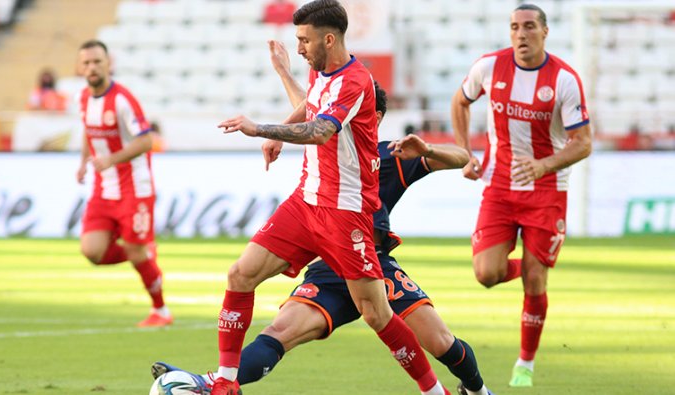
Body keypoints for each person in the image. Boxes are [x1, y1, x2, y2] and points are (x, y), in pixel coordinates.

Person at [152, 39, 494, 395]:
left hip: (370, 261)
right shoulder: (327, 132)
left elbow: (462, 158)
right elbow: (311, 107)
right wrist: (283, 73)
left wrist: (429, 149)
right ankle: (213, 384)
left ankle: (476, 390)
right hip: (328, 265)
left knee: (439, 340)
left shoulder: (391, 154)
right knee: (279, 332)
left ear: (372, 117)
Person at [208, 1, 448, 394]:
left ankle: (433, 391)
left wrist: (258, 129)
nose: (300, 46)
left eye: (304, 40)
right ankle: (225, 382)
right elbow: (310, 104)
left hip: (345, 212)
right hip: (306, 202)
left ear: (329, 39)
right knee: (240, 274)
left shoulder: (356, 81)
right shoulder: (320, 69)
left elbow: (320, 130)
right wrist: (278, 133)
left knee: (376, 314)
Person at [451, 4, 592, 388]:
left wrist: (545, 165)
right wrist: (466, 152)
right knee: (487, 273)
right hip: (499, 187)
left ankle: (524, 365)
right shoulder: (489, 67)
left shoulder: (564, 79)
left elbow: (583, 144)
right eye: (515, 27)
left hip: (547, 190)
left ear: (544, 32)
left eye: (529, 27)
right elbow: (460, 101)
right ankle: (534, 264)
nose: (521, 34)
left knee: (534, 280)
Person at [75, 39, 172, 328]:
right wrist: (83, 162)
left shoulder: (122, 100)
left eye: (97, 62)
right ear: (81, 67)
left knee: (134, 251)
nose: (92, 67)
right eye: (87, 63)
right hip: (103, 189)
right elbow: (88, 132)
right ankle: (143, 254)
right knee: (92, 251)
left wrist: (113, 159)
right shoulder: (83, 98)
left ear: (108, 63)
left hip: (135, 188)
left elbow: (146, 140)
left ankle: (161, 311)